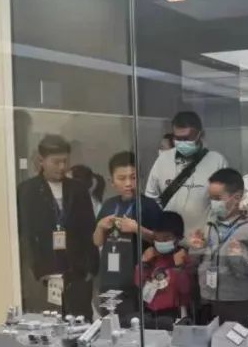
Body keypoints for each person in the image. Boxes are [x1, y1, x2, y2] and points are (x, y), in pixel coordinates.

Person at [17, 134, 97, 318]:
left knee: (80, 318)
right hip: (45, 271)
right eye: (56, 162)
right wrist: (38, 269)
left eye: (65, 161)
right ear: (41, 161)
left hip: (77, 269)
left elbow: (89, 229)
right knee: (49, 320)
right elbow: (25, 234)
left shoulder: (78, 189)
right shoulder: (27, 191)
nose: (62, 167)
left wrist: (91, 267)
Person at [94, 151, 164, 326]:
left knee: (137, 327)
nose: (128, 183)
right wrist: (100, 227)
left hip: (139, 281)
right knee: (111, 326)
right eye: (121, 178)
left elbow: (163, 241)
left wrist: (137, 229)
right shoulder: (109, 205)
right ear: (112, 181)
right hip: (110, 279)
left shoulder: (149, 206)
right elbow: (97, 241)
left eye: (133, 178)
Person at [187, 168, 248, 326]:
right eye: (211, 198)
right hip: (207, 298)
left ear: (237, 197)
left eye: (218, 198)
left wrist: (237, 259)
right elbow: (194, 264)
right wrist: (196, 249)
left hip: (237, 300)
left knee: (233, 338)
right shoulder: (208, 224)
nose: (213, 203)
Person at [145, 111, 228, 234]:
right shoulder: (163, 160)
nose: (182, 142)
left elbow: (223, 205)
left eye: (187, 138)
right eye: (178, 138)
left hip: (203, 237)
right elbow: (151, 199)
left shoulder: (217, 161)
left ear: (200, 134)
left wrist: (213, 233)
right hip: (169, 238)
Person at [134, 211, 192, 330]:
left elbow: (185, 290)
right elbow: (138, 283)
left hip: (174, 315)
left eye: (166, 238)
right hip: (149, 312)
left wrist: (179, 267)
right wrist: (143, 263)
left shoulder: (183, 258)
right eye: (157, 238)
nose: (161, 242)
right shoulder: (152, 257)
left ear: (179, 238)